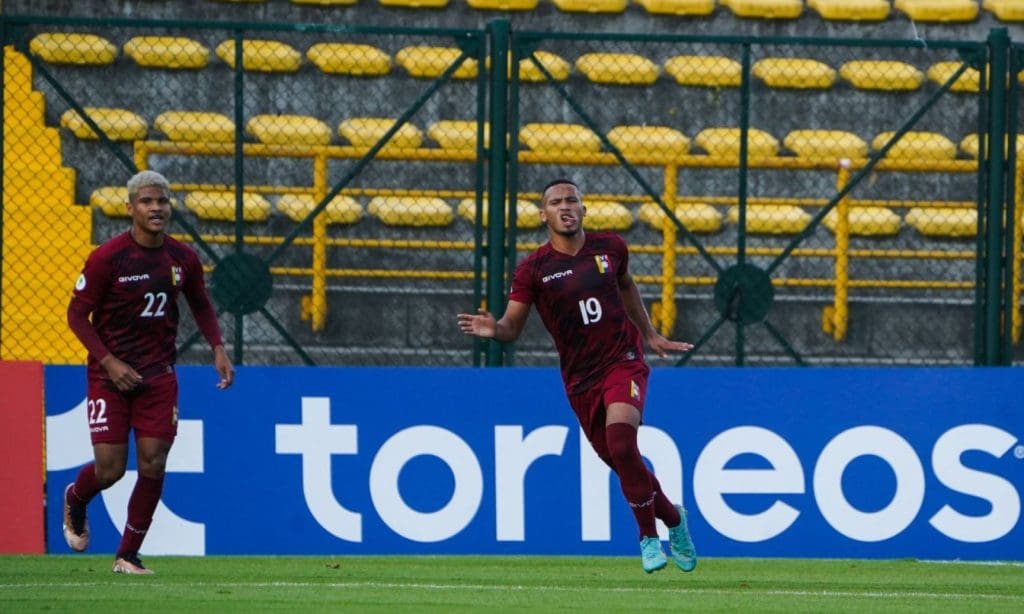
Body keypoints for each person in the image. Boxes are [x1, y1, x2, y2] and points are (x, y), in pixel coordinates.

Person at [457, 178, 697, 574]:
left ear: (584, 209)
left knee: (622, 444)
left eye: (572, 200)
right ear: (543, 215)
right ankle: (674, 520)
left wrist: (650, 333)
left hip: (624, 360)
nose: (565, 206)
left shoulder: (611, 248)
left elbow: (626, 286)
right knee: (623, 462)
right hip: (581, 380)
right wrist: (494, 329)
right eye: (555, 202)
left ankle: (648, 539)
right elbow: (511, 327)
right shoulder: (533, 270)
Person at [64, 170, 234, 575]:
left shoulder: (183, 258)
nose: (156, 208)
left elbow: (201, 304)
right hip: (110, 377)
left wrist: (218, 348)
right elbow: (76, 315)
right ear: (130, 209)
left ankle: (127, 555)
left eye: (162, 201)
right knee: (110, 470)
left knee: (154, 462)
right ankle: (76, 498)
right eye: (147, 201)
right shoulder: (108, 258)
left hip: (158, 376)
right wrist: (109, 361)